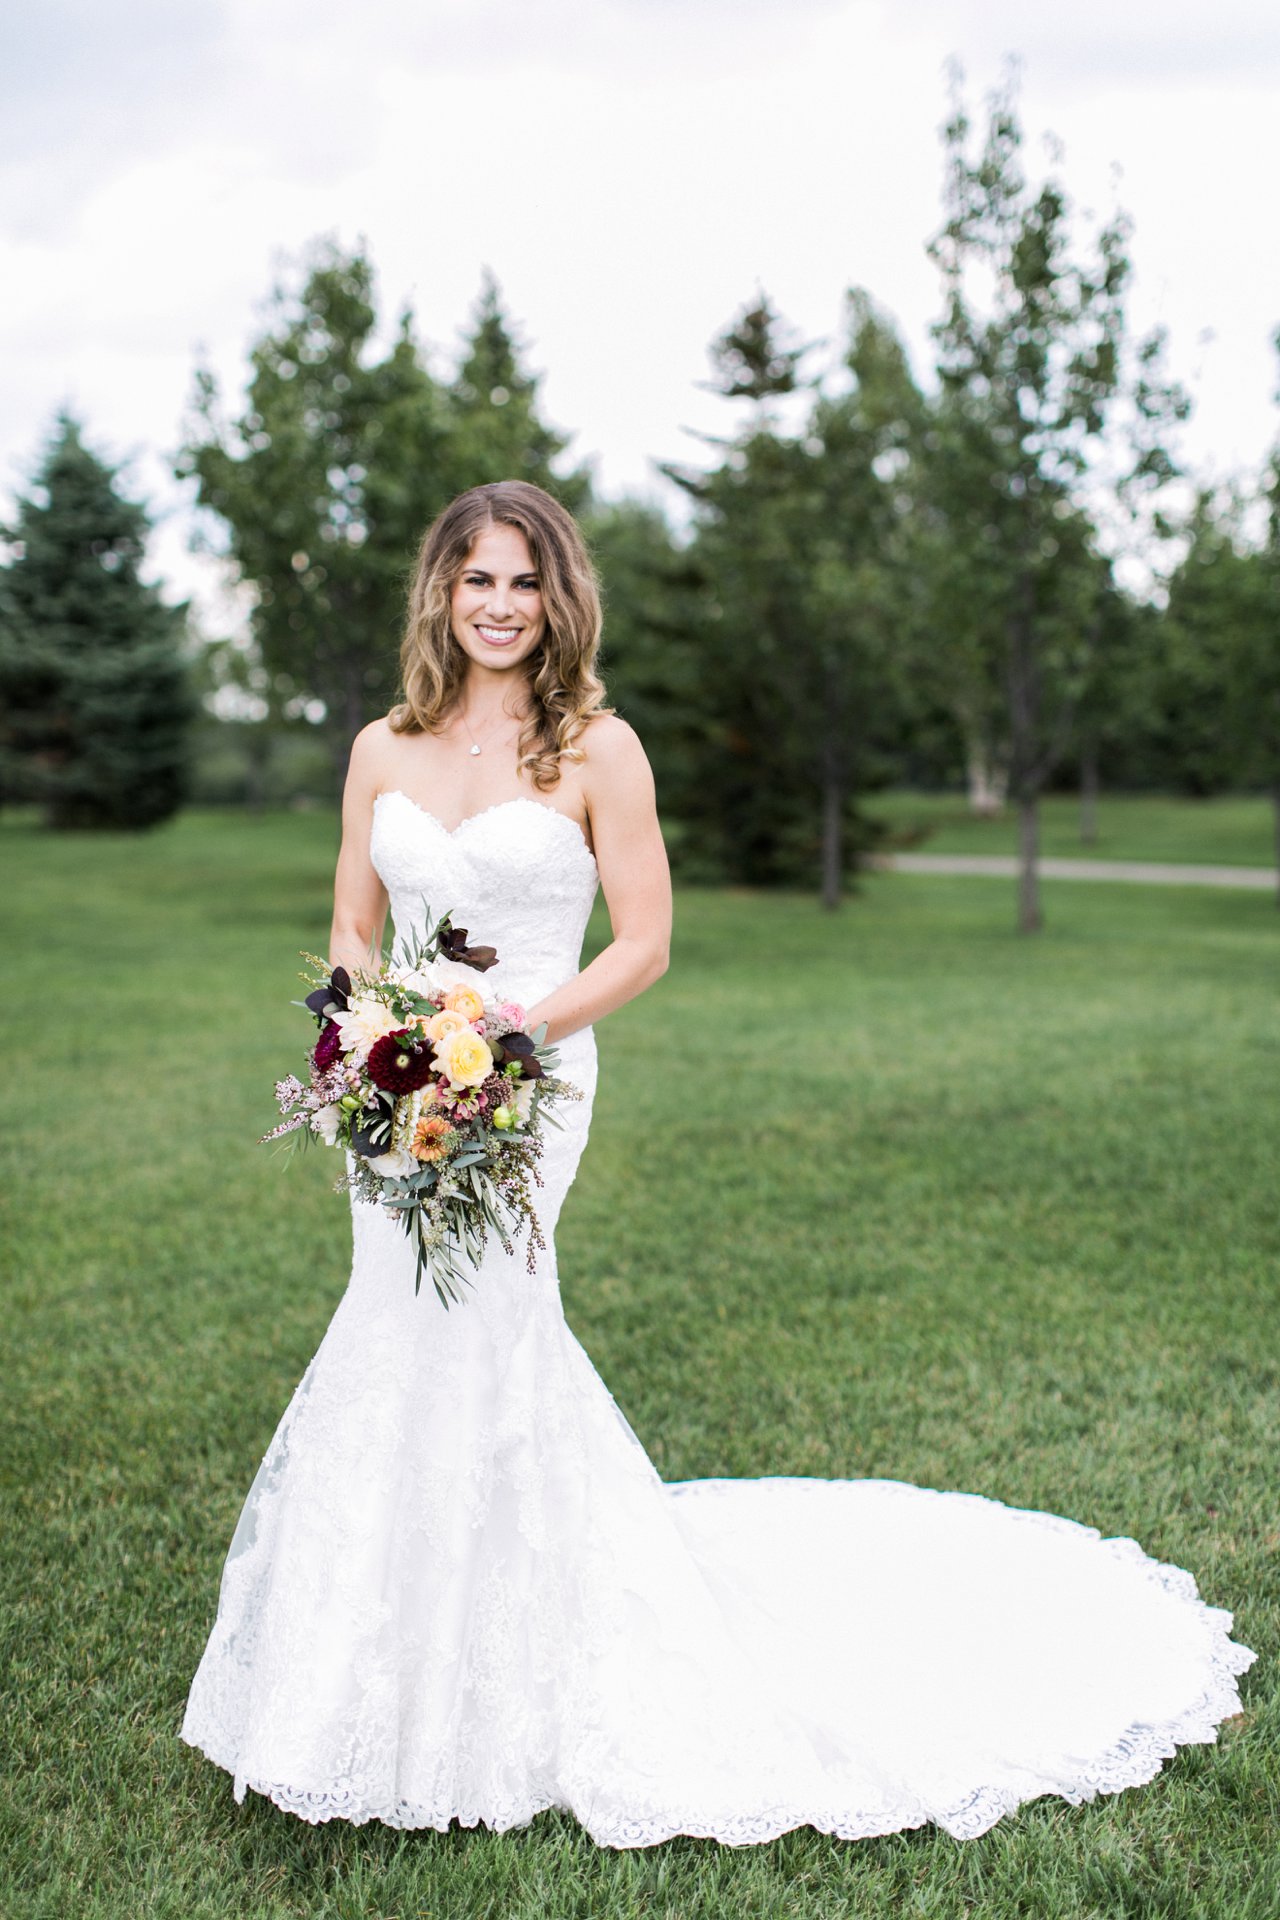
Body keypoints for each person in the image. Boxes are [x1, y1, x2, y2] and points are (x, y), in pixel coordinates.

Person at [181, 479, 1253, 1847]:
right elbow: (350, 915)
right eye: (476, 578)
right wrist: (373, 1035)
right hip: (395, 1093)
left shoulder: (597, 748)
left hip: (530, 1083)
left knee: (488, 1320)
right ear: (440, 591)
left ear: (559, 597)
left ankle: (506, 1668)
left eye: (524, 581)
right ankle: (366, 1668)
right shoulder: (381, 745)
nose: (500, 605)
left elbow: (644, 944)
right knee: (394, 1320)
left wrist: (502, 1038)